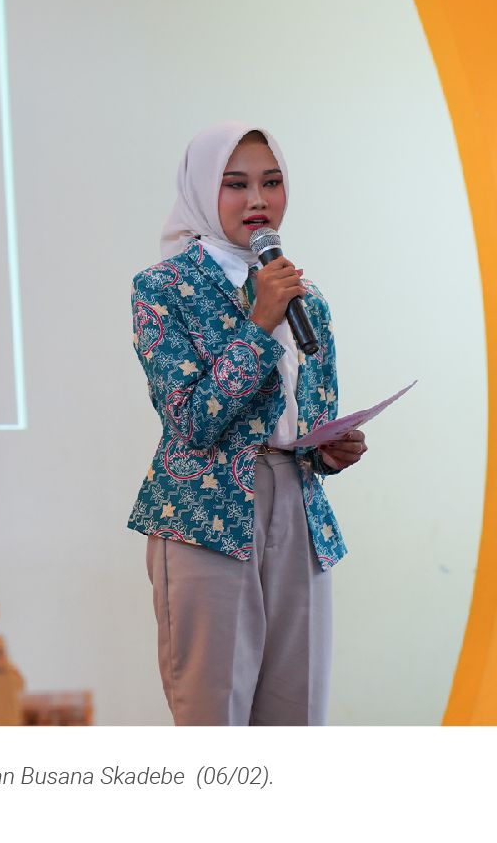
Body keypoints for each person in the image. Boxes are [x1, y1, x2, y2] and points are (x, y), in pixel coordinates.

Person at [128, 121, 368, 726]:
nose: (257, 199)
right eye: (235, 184)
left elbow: (309, 413)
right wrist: (259, 321)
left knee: (298, 713)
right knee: (215, 715)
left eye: (271, 182)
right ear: (202, 191)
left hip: (299, 508)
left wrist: (330, 448)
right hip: (207, 513)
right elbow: (191, 423)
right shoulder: (163, 288)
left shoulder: (306, 296)